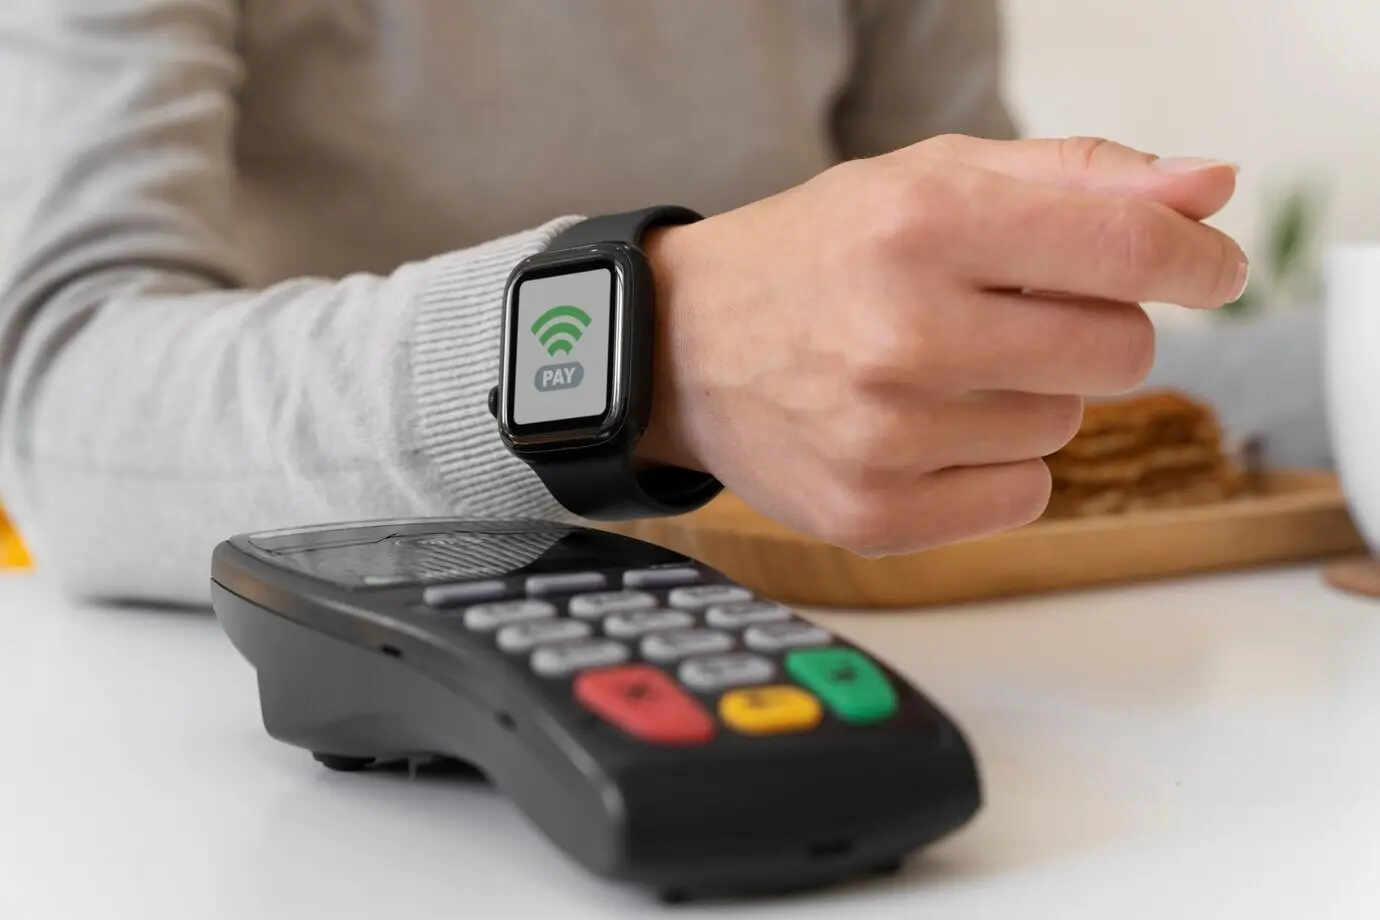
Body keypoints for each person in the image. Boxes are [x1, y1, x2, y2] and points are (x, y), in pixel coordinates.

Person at [0, 1, 1246, 606]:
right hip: (308, 716)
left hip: (838, 652)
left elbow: (977, 323)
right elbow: (61, 392)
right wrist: (650, 347)